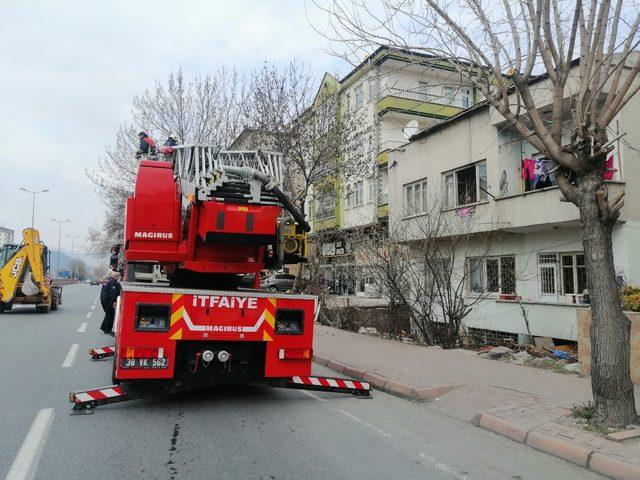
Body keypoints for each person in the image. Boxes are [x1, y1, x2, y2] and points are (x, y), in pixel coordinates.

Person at [100, 270, 121, 335]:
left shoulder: (107, 280)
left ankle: (104, 327)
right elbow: (112, 293)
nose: (119, 277)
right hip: (108, 301)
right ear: (116, 276)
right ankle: (108, 330)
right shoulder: (113, 282)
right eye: (118, 276)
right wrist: (114, 301)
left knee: (108, 314)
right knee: (111, 315)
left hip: (104, 300)